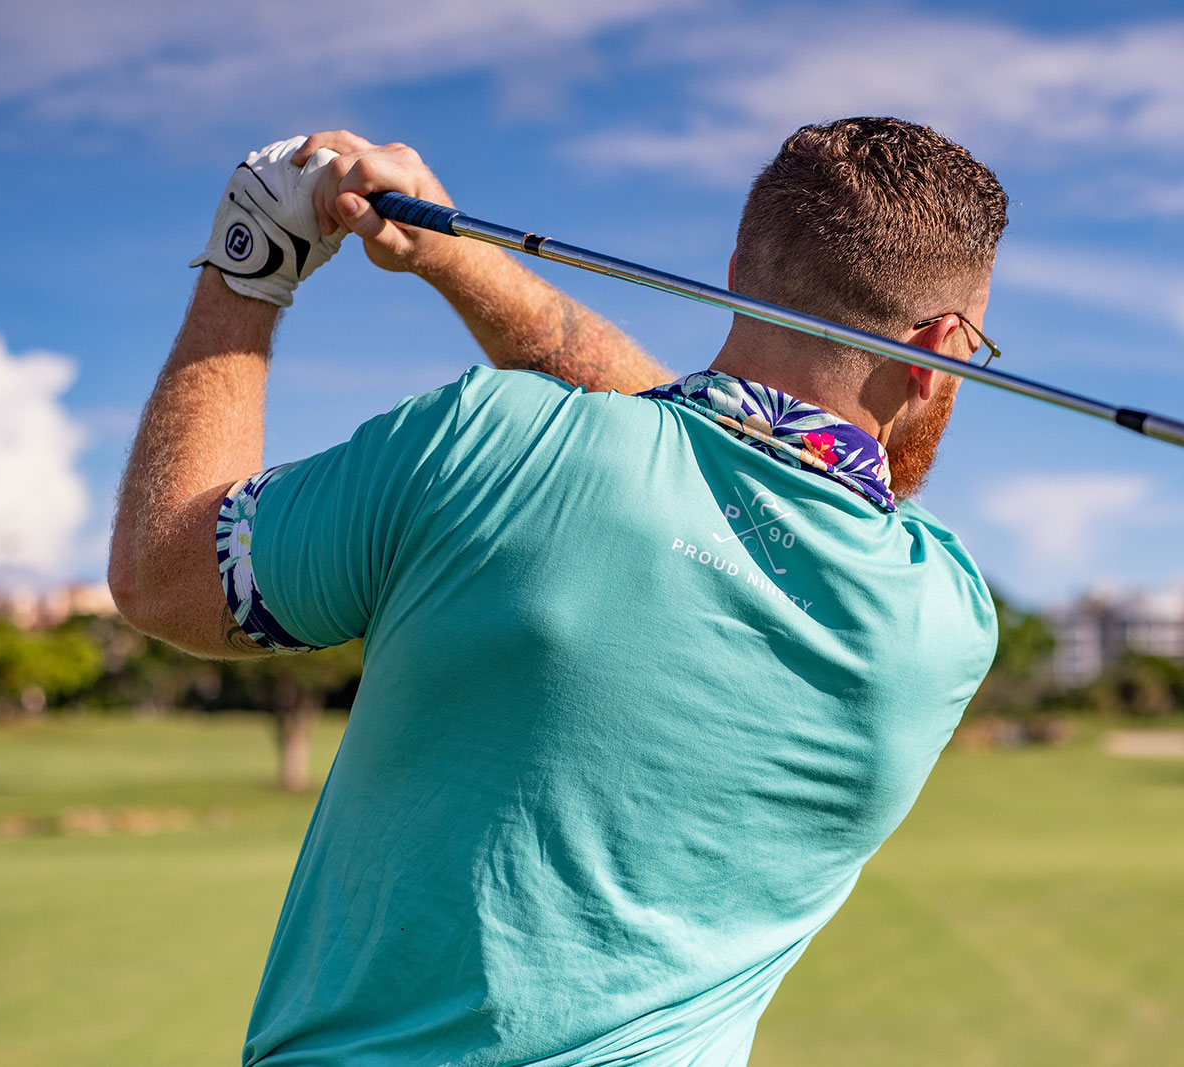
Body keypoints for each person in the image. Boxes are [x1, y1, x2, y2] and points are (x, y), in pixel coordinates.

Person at [110, 117, 1008, 1066]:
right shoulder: (942, 618)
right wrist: (459, 257)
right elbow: (724, 454)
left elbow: (163, 574)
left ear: (738, 274)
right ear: (938, 346)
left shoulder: (485, 440)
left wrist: (251, 264)